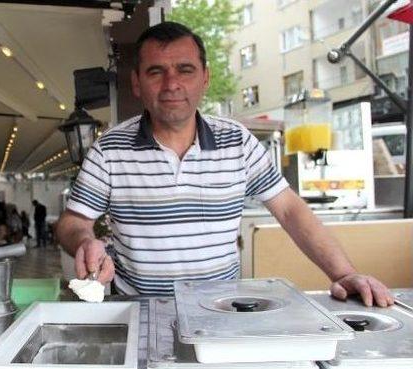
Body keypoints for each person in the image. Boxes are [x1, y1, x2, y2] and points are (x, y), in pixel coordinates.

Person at [56, 21, 393, 307]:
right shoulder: (110, 149)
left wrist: (344, 274)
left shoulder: (238, 141)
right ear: (136, 83)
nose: (171, 84)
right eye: (156, 72)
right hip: (138, 313)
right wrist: (86, 241)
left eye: (185, 70)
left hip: (221, 312)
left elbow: (290, 210)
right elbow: (73, 222)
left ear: (205, 77)